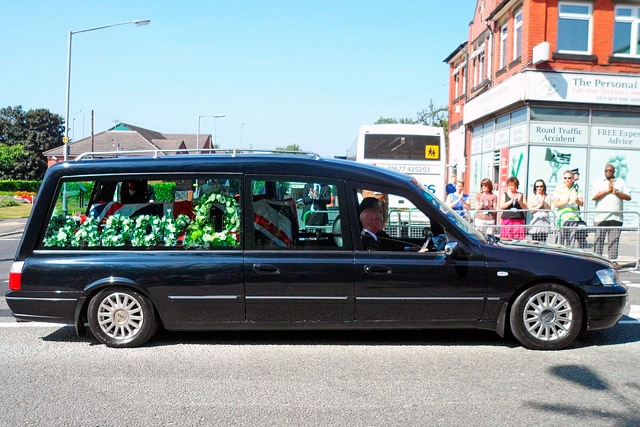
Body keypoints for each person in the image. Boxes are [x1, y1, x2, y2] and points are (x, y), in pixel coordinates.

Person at [591, 164, 631, 261]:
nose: (608, 172)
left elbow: (628, 197)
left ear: (614, 172)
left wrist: (617, 193)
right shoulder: (598, 182)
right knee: (599, 241)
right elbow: (594, 197)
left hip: (616, 217)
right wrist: (607, 190)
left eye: (610, 171)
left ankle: (613, 261)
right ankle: (597, 261)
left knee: (613, 241)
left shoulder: (621, 182)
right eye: (606, 171)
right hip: (601, 217)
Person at [360, 207, 425, 251]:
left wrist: (409, 249)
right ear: (371, 222)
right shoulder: (365, 240)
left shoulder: (379, 234)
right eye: (380, 219)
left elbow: (392, 245)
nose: (382, 222)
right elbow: (383, 254)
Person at [553, 170, 586, 248]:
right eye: (565, 178)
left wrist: (577, 200)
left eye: (569, 178)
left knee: (571, 242)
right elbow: (556, 204)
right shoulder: (559, 188)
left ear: (573, 179)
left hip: (574, 218)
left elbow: (581, 203)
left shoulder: (577, 188)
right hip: (562, 218)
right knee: (560, 242)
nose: (567, 180)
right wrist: (565, 201)